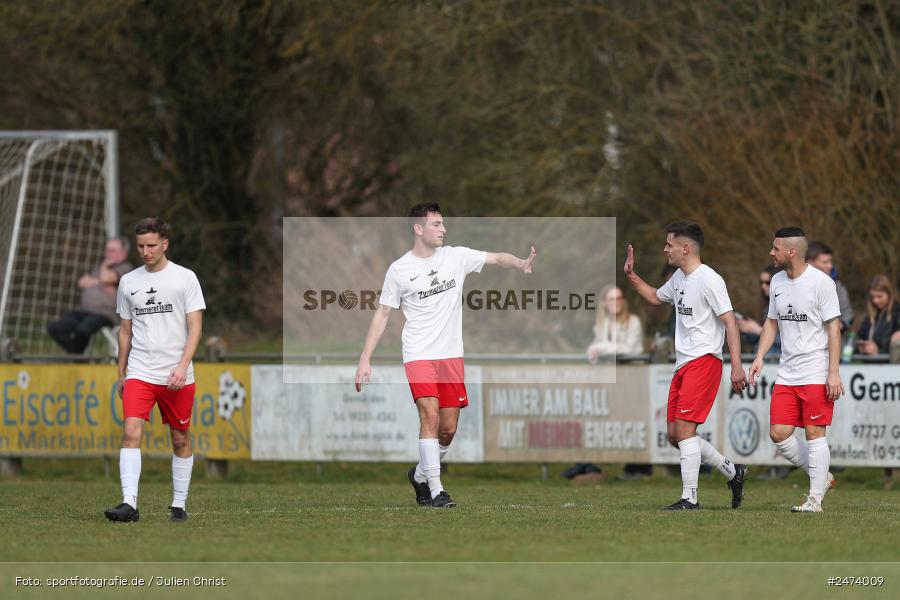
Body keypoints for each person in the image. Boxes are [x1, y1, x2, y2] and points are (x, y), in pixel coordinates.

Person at [355, 203, 536, 508]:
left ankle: (420, 475)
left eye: (443, 224)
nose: (443, 229)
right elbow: (383, 313)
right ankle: (437, 491)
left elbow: (495, 258)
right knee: (430, 415)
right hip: (418, 354)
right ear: (418, 228)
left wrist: (519, 262)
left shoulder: (456, 256)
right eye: (437, 224)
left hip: (451, 356)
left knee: (448, 429)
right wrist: (365, 358)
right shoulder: (399, 269)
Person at [625, 220, 749, 510]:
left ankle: (689, 498)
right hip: (683, 363)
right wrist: (631, 275)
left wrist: (736, 365)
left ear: (685, 247)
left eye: (669, 244)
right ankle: (733, 472)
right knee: (675, 435)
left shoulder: (709, 279)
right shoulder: (679, 277)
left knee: (684, 432)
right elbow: (656, 297)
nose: (664, 249)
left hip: (705, 361)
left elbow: (730, 322)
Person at [104, 218, 206, 523]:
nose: (145, 252)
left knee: (180, 438)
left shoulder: (185, 278)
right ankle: (129, 504)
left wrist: (182, 366)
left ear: (165, 244)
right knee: (131, 432)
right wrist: (122, 373)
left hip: (176, 375)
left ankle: (178, 504)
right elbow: (125, 331)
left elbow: (196, 328)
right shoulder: (128, 282)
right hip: (140, 371)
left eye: (151, 245)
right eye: (140, 246)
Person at [749, 227, 843, 513]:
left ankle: (814, 499)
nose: (771, 253)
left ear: (791, 251)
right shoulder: (777, 281)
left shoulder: (821, 283)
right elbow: (771, 323)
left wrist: (833, 372)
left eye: (775, 248)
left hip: (815, 371)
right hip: (787, 373)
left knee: (815, 434)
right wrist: (760, 356)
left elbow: (834, 328)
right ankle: (822, 476)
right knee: (779, 434)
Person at [580, 285, 647, 479]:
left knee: (634, 423)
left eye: (619, 298)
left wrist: (601, 348)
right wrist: (596, 352)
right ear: (604, 303)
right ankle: (593, 465)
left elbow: (630, 349)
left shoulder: (633, 322)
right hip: (611, 381)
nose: (616, 302)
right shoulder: (601, 325)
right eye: (612, 299)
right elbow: (592, 350)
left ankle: (638, 468)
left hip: (632, 381)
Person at [47, 238, 133, 353]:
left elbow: (106, 278)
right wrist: (102, 281)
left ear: (123, 253)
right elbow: (82, 282)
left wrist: (103, 270)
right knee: (55, 328)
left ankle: (76, 356)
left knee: (83, 330)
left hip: (105, 314)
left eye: (112, 251)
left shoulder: (125, 268)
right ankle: (75, 353)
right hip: (84, 311)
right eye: (107, 250)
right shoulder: (99, 268)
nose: (107, 254)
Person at [806, 241, 854, 333]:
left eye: (830, 261)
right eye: (825, 262)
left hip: (829, 340)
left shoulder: (837, 286)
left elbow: (847, 314)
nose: (830, 266)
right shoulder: (794, 283)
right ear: (809, 262)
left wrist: (842, 324)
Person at [855, 275, 900, 356]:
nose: (875, 300)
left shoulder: (897, 315)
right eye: (872, 297)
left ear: (889, 294)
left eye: (879, 296)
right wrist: (861, 347)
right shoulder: (869, 317)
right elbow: (859, 337)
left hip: (892, 366)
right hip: (870, 365)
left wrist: (879, 351)